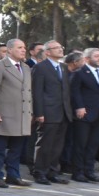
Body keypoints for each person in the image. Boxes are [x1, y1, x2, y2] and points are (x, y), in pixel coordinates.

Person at [0, 39, 32, 188]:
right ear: (9, 50)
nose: (23, 50)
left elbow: (28, 93)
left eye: (24, 47)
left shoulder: (25, 67)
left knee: (16, 149)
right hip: (3, 115)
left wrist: (31, 112)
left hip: (22, 115)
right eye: (20, 47)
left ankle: (13, 175)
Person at [30, 41, 73, 185]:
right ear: (47, 52)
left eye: (62, 47)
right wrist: (39, 113)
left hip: (63, 112)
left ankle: (52, 172)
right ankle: (40, 172)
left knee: (58, 145)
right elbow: (37, 92)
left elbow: (66, 91)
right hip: (48, 112)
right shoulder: (40, 68)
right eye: (57, 48)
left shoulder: (63, 67)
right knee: (45, 144)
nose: (61, 50)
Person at [70, 48, 99, 182]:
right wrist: (79, 106)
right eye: (97, 56)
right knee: (81, 144)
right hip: (84, 114)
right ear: (87, 59)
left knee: (93, 144)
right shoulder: (80, 73)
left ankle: (89, 171)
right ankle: (78, 172)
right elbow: (75, 91)